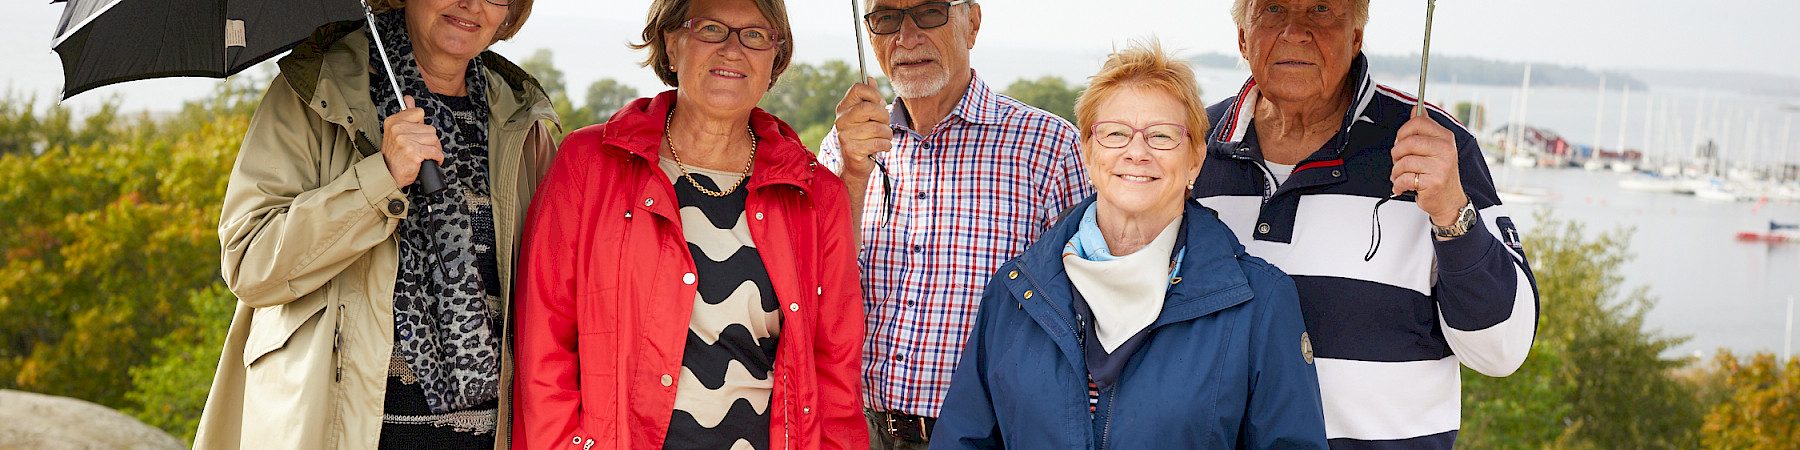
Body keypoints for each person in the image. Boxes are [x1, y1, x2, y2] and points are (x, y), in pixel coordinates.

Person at [930, 40, 1329, 450]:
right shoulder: (1016, 291)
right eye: (1116, 133)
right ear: (1087, 152)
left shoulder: (1259, 303)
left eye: (1161, 135)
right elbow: (963, 439)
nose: (1136, 152)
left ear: (1195, 159)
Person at [195, 0, 558, 448]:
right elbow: (249, 263)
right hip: (338, 431)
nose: (471, 3)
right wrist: (380, 178)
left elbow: (550, 303)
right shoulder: (317, 91)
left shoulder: (522, 122)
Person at [511, 0, 867, 448]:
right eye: (711, 29)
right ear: (671, 43)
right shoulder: (588, 165)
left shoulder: (816, 195)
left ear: (774, 59)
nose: (733, 50)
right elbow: (543, 343)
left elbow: (835, 373)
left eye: (755, 35)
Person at [1190, 1, 1539, 448]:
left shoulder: (1436, 146)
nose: (1295, 31)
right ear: (1242, 36)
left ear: (1356, 36)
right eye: (1273, 8)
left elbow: (1502, 351)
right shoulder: (1187, 147)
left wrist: (1453, 211)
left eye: (1321, 9)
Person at [818, 1, 1092, 446]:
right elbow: (814, 287)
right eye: (887, 17)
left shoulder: (1050, 148)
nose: (907, 37)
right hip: (852, 431)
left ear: (973, 22)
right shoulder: (846, 146)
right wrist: (851, 176)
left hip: (980, 435)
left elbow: (1088, 317)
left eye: (929, 11)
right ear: (870, 35)